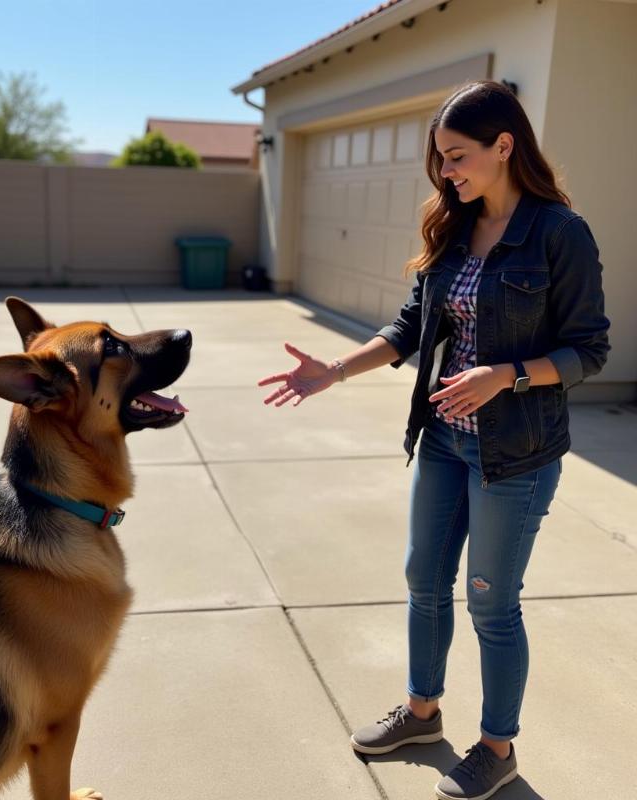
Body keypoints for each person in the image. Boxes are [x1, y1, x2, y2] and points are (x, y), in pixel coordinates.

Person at [258, 81, 609, 800]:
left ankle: (497, 746)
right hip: (447, 444)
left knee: (491, 602)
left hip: (516, 455)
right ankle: (422, 711)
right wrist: (335, 370)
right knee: (424, 581)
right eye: (441, 160)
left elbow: (589, 352)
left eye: (457, 157)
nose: (446, 172)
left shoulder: (559, 234)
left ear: (503, 146)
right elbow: (408, 328)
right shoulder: (453, 226)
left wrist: (505, 376)